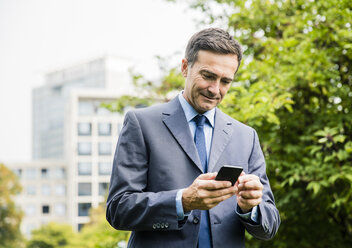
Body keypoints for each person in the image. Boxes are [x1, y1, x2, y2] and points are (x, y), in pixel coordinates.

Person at [106, 28, 280, 247]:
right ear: (185, 67)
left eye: (225, 81)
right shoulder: (141, 124)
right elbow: (118, 209)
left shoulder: (246, 137)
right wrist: (183, 201)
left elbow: (270, 225)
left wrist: (250, 208)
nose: (215, 89)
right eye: (208, 76)